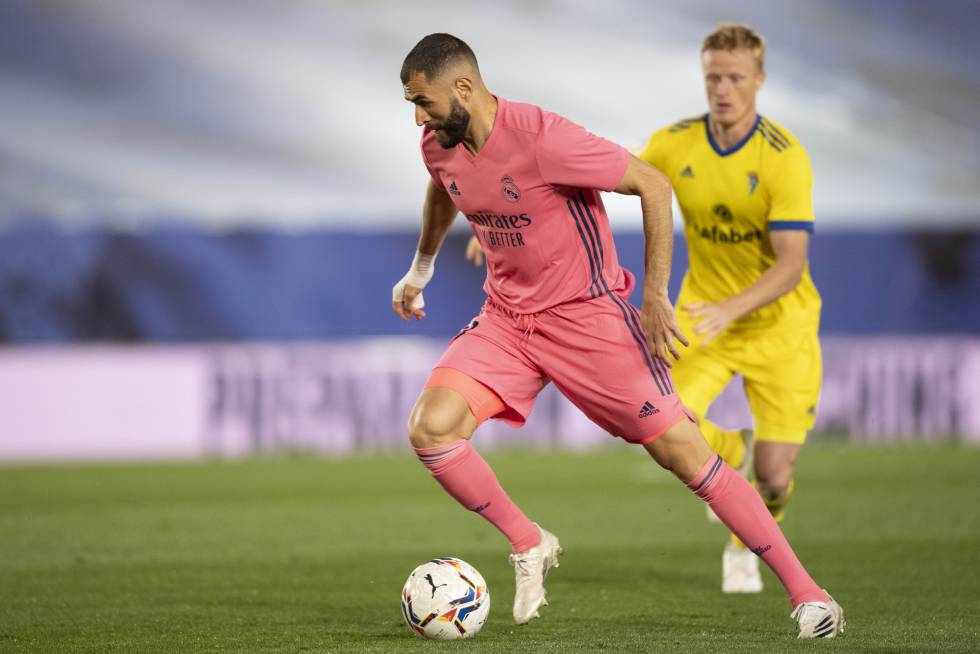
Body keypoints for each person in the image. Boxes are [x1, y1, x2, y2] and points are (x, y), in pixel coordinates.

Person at [394, 33, 843, 638]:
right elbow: (443, 186)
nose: (419, 119)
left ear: (465, 88)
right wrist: (421, 269)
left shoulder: (544, 137)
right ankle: (529, 541)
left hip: (588, 320)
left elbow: (653, 185)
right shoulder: (439, 143)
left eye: (424, 103)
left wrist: (655, 296)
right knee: (431, 428)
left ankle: (809, 595)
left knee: (683, 454)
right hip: (509, 320)